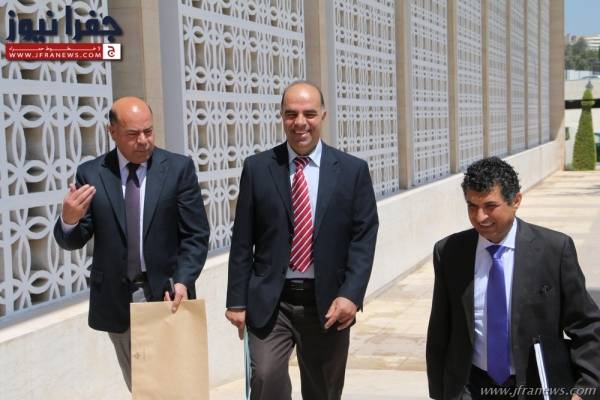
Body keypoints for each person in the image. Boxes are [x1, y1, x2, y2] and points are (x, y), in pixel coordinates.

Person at [225, 81, 379, 400]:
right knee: (265, 378)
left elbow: (363, 238)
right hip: (272, 301)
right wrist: (236, 300)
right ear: (281, 116)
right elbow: (242, 239)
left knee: (323, 391)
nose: (300, 122)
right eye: (291, 114)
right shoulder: (258, 168)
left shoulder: (352, 171)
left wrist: (351, 295)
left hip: (328, 304)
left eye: (309, 114)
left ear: (323, 115)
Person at [53, 97, 209, 391]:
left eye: (148, 131)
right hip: (118, 298)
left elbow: (196, 235)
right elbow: (74, 239)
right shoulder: (92, 173)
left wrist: (183, 280)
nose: (143, 141)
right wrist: (69, 220)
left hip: (167, 294)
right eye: (133, 134)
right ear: (112, 132)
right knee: (141, 387)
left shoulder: (178, 169)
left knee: (175, 386)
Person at [426, 157, 600, 400]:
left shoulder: (554, 250)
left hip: (533, 388)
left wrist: (585, 390)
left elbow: (586, 324)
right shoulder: (449, 252)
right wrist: (439, 392)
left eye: (490, 206)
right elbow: (440, 329)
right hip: (469, 388)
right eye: (472, 206)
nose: (480, 217)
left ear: (516, 200)